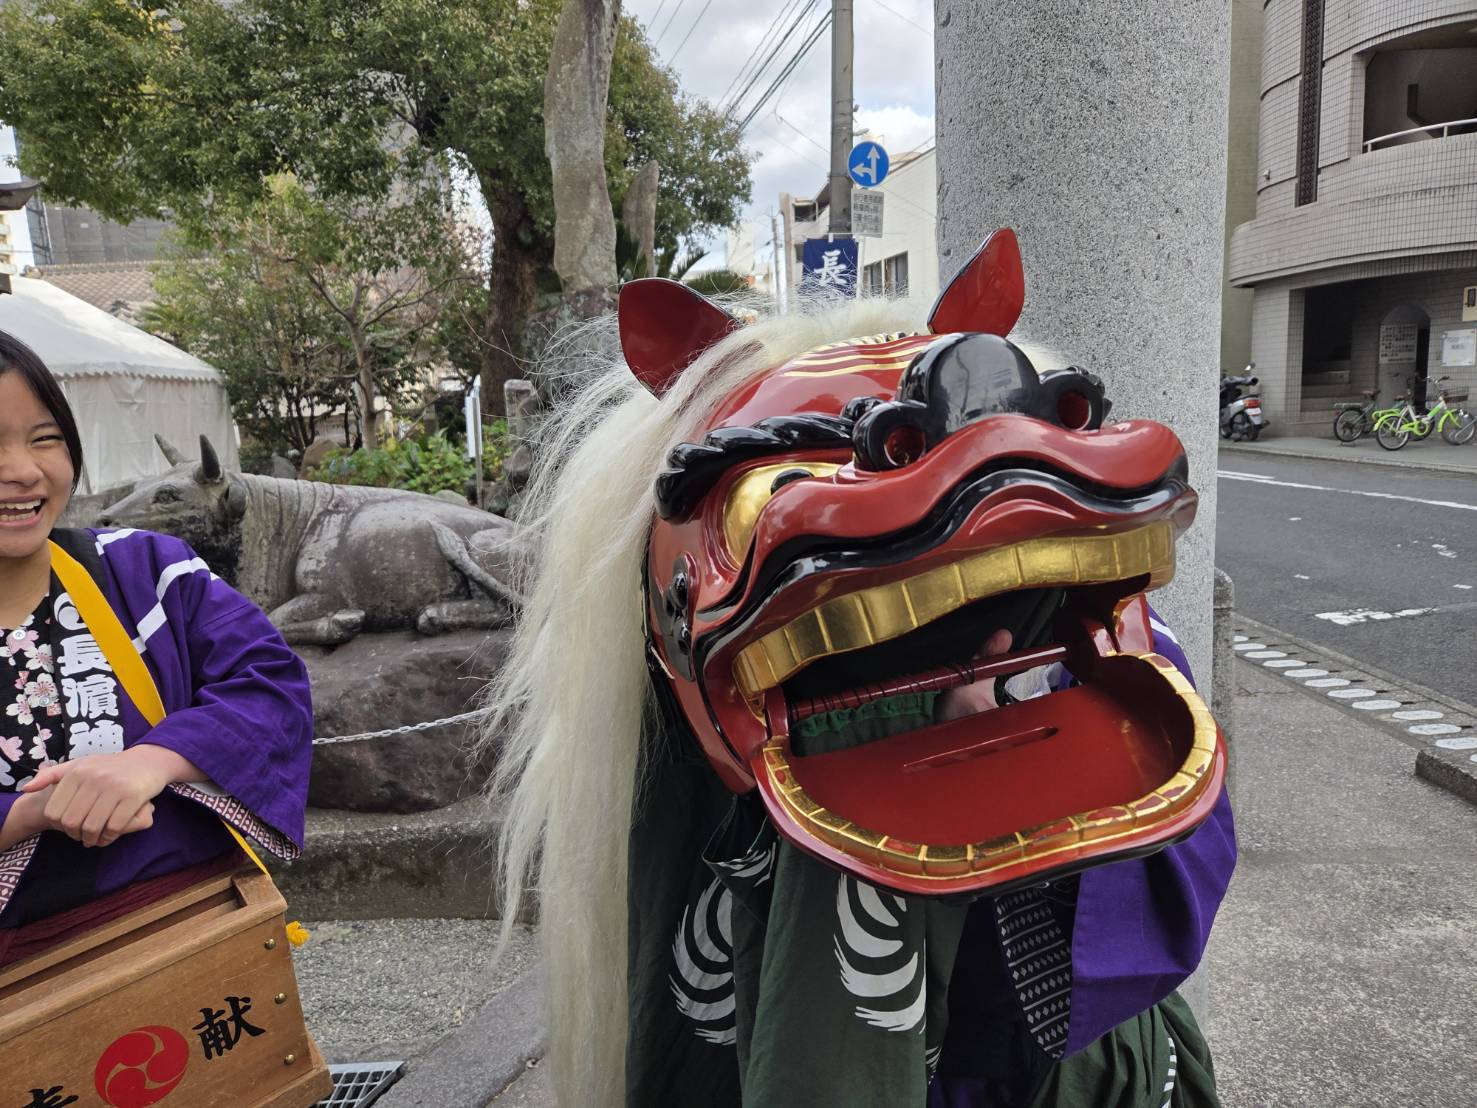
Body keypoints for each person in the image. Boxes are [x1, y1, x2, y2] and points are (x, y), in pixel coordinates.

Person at [488, 234, 1235, 1108]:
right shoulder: (688, 674)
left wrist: (1003, 790)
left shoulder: (1101, 632)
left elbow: (1174, 876)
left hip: (1045, 1066)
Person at [0, 330, 311, 961]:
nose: (24, 471)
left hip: (192, 922)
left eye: (45, 438)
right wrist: (32, 813)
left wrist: (153, 761)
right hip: (23, 969)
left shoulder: (147, 570)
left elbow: (272, 686)